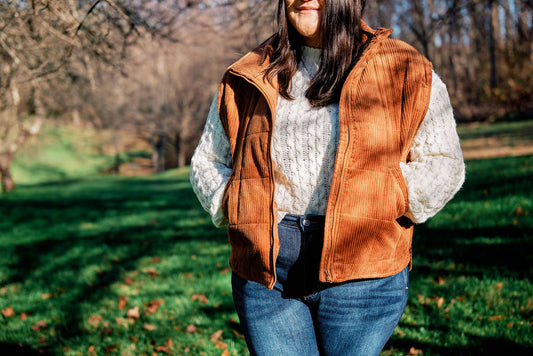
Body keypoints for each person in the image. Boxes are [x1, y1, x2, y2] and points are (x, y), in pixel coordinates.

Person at [190, 0, 465, 355]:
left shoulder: (404, 68)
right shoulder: (249, 74)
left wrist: (387, 197)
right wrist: (238, 204)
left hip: (364, 272)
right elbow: (207, 162)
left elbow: (444, 162)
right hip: (266, 275)